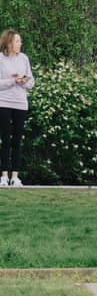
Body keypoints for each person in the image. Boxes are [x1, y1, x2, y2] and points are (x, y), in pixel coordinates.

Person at [0, 29, 34, 187]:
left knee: (17, 141)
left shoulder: (24, 59)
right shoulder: (1, 58)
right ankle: (4, 176)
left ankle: (15, 177)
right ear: (9, 42)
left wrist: (24, 81)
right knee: (5, 140)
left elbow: (31, 82)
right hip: (4, 103)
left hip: (21, 103)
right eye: (17, 41)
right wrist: (12, 81)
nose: (20, 44)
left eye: (20, 41)